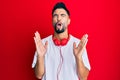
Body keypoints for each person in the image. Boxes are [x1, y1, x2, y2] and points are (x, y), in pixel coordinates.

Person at [32, 2, 91, 80]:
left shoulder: (79, 44)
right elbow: (38, 75)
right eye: (55, 15)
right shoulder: (42, 44)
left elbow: (83, 77)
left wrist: (78, 57)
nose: (58, 18)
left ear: (69, 20)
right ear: (52, 21)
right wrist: (40, 56)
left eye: (62, 15)